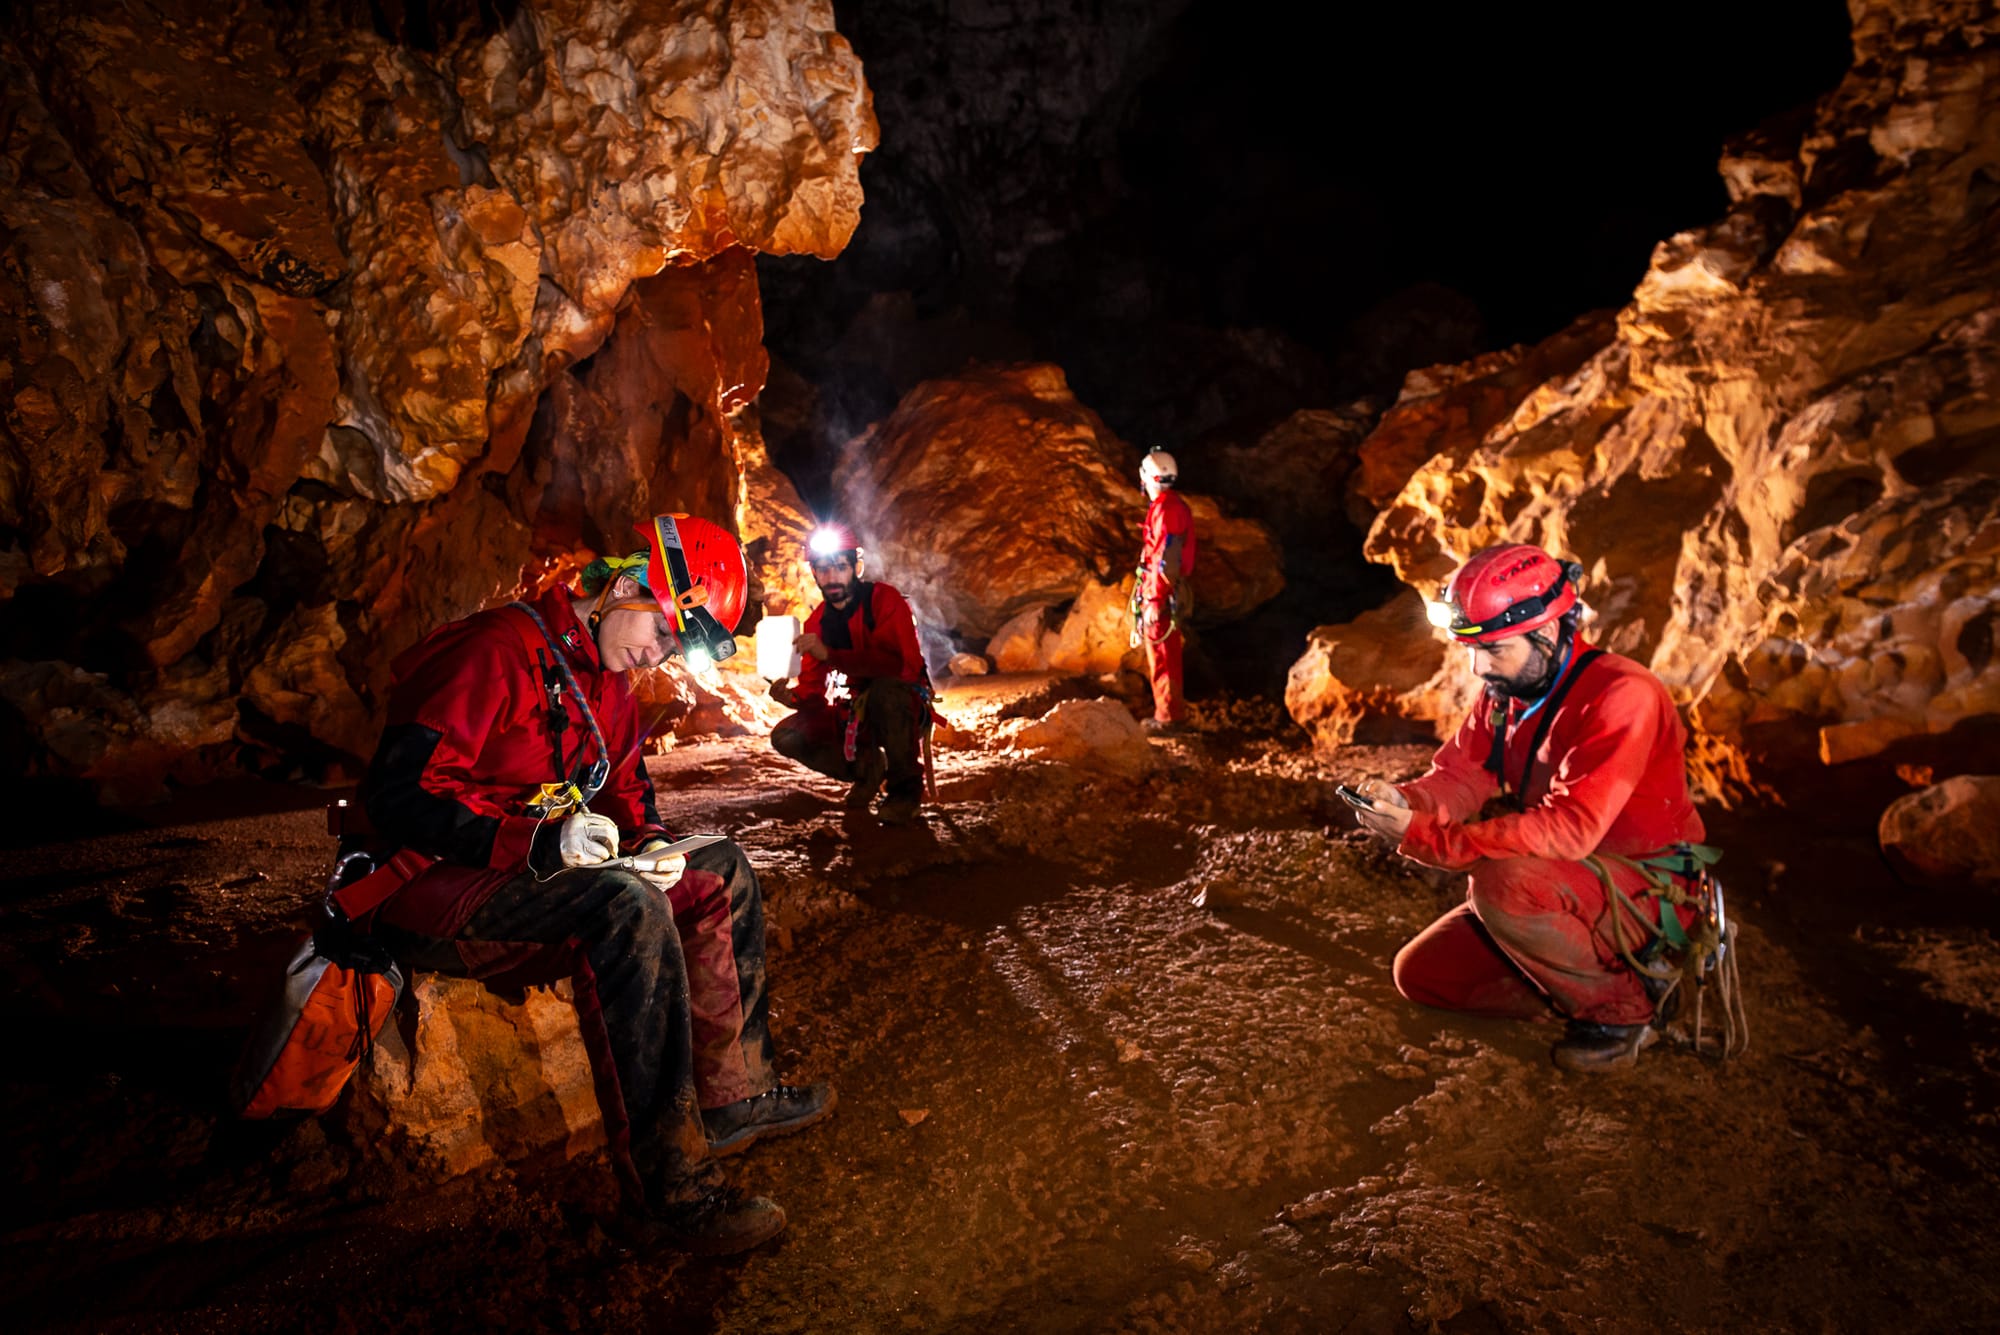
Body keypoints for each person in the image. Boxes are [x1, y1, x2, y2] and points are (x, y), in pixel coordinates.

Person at [357, 514, 833, 1255]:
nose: (657, 653)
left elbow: (628, 790)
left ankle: (733, 1097)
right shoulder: (497, 651)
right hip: (442, 889)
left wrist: (648, 843)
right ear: (625, 581)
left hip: (534, 873)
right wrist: (534, 839)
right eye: (665, 631)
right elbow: (395, 794)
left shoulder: (608, 681)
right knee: (628, 907)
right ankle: (664, 1191)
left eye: (674, 645)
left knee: (717, 868)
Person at [1349, 542, 1717, 1074]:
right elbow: (1460, 776)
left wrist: (1429, 837)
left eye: (1495, 650)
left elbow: (1570, 831)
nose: (1479, 668)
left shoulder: (1623, 695)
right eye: (1473, 650)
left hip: (1643, 886)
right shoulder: (1508, 694)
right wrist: (1403, 800)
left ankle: (1624, 1011)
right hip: (1569, 878)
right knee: (1424, 976)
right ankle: (1586, 988)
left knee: (1504, 884)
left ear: (1545, 633)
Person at [769, 523, 933, 825]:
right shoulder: (818, 622)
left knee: (887, 693)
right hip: (857, 711)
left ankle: (905, 790)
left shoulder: (884, 601)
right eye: (823, 569)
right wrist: (790, 697)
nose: (832, 577)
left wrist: (830, 655)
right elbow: (813, 693)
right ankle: (867, 770)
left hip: (901, 702)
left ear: (854, 567)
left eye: (840, 567)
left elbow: (899, 668)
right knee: (786, 735)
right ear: (814, 574)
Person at [1132, 450, 1196, 733]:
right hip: (1160, 589)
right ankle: (1170, 713)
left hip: (1161, 593)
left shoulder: (1167, 510)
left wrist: (1155, 598)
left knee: (1162, 655)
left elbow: (1167, 559)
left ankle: (1169, 718)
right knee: (1164, 654)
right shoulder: (1168, 506)